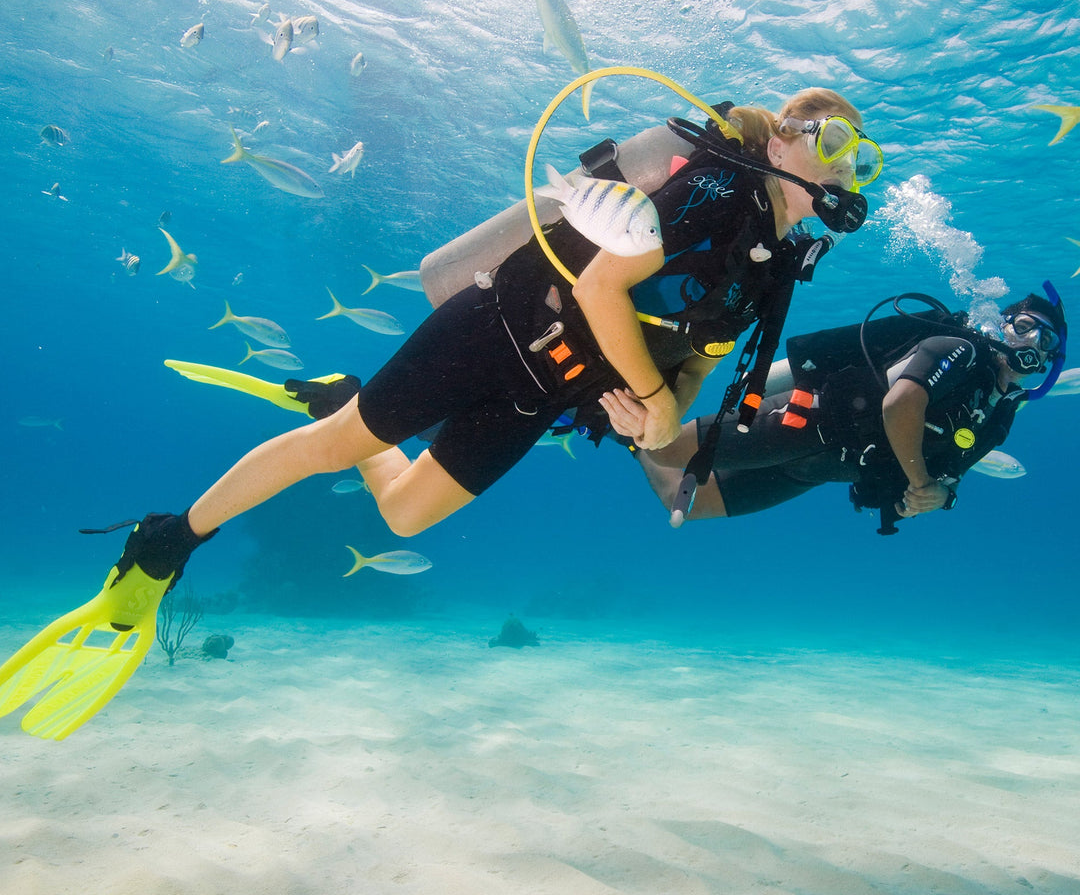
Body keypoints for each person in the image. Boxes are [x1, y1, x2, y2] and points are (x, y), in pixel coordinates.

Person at [0, 85, 882, 739]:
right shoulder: (715, 188)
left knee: (407, 513)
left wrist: (654, 422)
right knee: (335, 447)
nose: (846, 164)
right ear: (788, 136)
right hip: (495, 328)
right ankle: (166, 545)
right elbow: (601, 282)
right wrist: (652, 398)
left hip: (546, 397)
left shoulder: (772, 271)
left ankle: (346, 392)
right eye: (835, 140)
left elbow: (696, 370)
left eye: (862, 157)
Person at [600, 289, 1067, 534]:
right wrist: (922, 482)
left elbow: (954, 468)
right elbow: (902, 403)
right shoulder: (959, 349)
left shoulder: (1001, 411)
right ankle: (616, 403)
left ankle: (624, 434)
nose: (1031, 343)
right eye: (1024, 327)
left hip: (827, 468)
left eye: (1045, 341)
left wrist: (939, 496)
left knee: (688, 504)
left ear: (1050, 362)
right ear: (1001, 325)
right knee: (665, 450)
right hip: (808, 423)